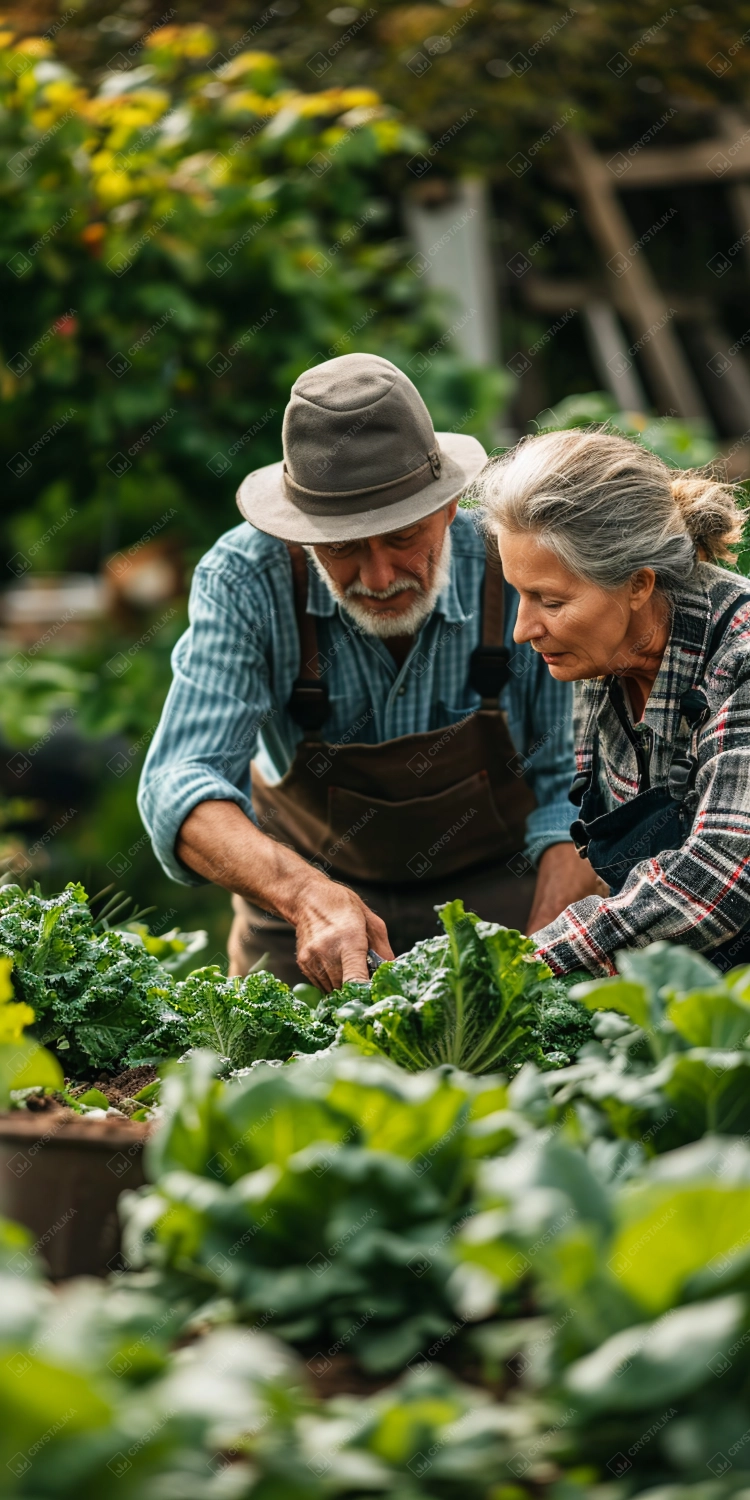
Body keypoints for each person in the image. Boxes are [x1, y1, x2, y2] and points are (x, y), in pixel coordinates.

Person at [138, 354, 599, 990]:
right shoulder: (245, 580)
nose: (378, 578)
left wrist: (550, 942)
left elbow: (573, 785)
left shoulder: (512, 571)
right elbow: (177, 783)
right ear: (302, 535)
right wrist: (304, 894)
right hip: (309, 923)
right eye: (344, 548)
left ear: (448, 506)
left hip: (501, 903)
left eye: (403, 537)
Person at [477, 424, 750, 976]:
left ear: (637, 585)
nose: (522, 629)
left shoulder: (739, 659)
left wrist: (529, 964)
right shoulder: (607, 656)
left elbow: (719, 877)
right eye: (519, 594)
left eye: (549, 601)